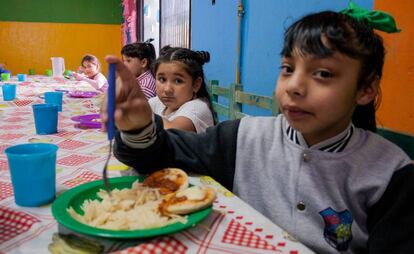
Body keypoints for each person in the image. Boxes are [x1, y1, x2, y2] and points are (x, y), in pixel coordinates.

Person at [101, 3, 414, 253]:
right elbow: (160, 155)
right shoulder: (244, 137)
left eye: (322, 74)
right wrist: (140, 125)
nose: (295, 86)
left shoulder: (391, 175)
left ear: (365, 89)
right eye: (288, 68)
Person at [148, 46, 215, 133]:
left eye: (178, 81)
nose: (167, 89)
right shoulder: (156, 103)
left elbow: (170, 132)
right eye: (162, 79)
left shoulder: (197, 108)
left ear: (196, 85)